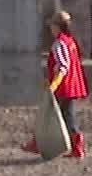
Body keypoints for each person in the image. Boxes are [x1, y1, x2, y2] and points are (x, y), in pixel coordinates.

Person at [23, 10, 88, 159]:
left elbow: (62, 67)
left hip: (63, 88)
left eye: (52, 25)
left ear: (57, 26)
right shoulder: (70, 41)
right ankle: (71, 147)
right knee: (64, 116)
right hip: (69, 87)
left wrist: (53, 86)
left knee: (51, 116)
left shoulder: (59, 44)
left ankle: (40, 145)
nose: (51, 29)